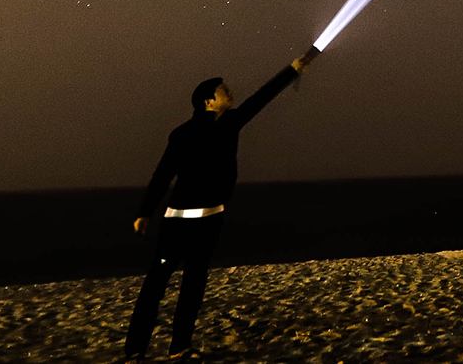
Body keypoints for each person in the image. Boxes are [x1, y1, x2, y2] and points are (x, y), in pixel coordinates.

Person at [122, 47, 317, 361]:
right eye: (222, 90)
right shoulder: (182, 134)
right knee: (156, 285)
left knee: (194, 286)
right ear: (207, 101)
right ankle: (134, 351)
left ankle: (180, 348)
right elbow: (163, 175)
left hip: (211, 219)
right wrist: (145, 212)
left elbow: (261, 97)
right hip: (178, 221)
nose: (229, 92)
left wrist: (292, 70)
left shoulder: (231, 123)